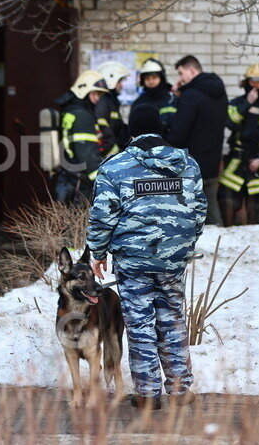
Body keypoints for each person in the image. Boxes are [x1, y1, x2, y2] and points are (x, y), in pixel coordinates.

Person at [87, 104, 207, 409]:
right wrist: (183, 244)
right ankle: (180, 391)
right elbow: (199, 210)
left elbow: (102, 216)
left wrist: (97, 253)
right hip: (173, 261)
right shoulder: (187, 164)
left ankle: (148, 395)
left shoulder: (114, 168)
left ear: (130, 132)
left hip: (133, 261)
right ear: (161, 129)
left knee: (140, 324)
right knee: (172, 319)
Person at [218, 64, 259, 226]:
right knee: (226, 205)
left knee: (257, 217)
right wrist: (247, 103)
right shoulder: (235, 104)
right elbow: (230, 124)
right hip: (235, 167)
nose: (255, 85)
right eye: (252, 81)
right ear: (246, 83)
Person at [166, 55, 228, 226]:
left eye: (181, 73)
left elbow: (178, 134)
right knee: (211, 209)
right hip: (212, 163)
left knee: (186, 214)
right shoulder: (219, 92)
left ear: (192, 70)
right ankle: (220, 246)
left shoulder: (191, 95)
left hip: (190, 166)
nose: (180, 79)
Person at [53, 70, 110, 204]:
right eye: (95, 93)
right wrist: (103, 183)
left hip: (67, 180)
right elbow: (88, 156)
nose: (97, 98)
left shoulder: (70, 110)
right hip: (80, 186)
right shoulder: (82, 116)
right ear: (82, 91)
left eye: (100, 94)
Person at [132, 58, 176, 135]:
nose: (151, 81)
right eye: (147, 78)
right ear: (143, 81)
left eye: (154, 77)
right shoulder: (138, 103)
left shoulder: (172, 99)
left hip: (171, 144)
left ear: (161, 78)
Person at [95, 61, 131, 156]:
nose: (121, 85)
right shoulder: (103, 102)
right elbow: (105, 132)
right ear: (110, 79)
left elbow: (119, 129)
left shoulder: (111, 101)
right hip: (108, 154)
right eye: (119, 81)